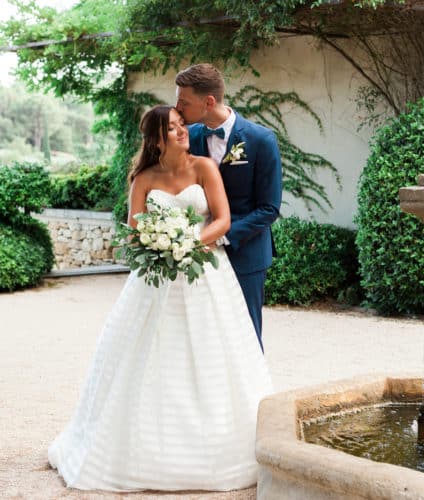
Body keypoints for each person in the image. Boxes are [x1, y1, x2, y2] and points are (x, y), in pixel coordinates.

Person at [48, 105, 273, 492]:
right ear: (155, 138)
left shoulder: (204, 167)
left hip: (205, 272)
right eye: (172, 127)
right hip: (154, 278)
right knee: (148, 354)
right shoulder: (144, 179)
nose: (183, 130)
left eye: (182, 123)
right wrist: (157, 245)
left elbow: (222, 220)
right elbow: (135, 231)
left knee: (213, 353)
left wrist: (186, 243)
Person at [175, 63, 282, 351]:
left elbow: (269, 208)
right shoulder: (189, 138)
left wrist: (220, 235)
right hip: (197, 257)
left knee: (246, 333)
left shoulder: (261, 140)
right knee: (203, 335)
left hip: (245, 254)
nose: (177, 108)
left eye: (184, 102)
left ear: (208, 102)